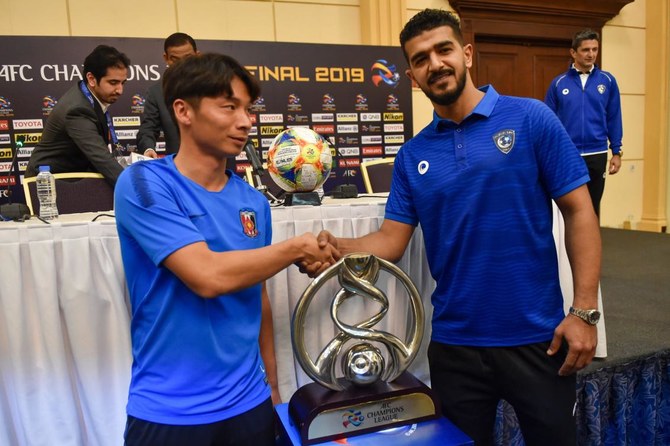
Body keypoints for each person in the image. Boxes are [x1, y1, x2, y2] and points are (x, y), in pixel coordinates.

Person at [306, 9, 602, 446]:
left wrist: (583, 312)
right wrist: (338, 248)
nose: (435, 64)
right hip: (455, 346)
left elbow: (580, 212)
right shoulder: (412, 156)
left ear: (465, 53)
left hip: (538, 340)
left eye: (443, 50)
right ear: (412, 75)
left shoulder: (531, 118)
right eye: (421, 58)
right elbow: (390, 241)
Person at [114, 53, 338, 446]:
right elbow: (208, 276)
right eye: (229, 107)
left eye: (248, 109)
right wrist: (295, 249)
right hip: (171, 412)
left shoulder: (252, 201)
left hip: (250, 403)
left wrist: (272, 388)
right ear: (183, 111)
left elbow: (259, 296)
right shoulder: (143, 183)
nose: (245, 121)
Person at [545, 29, 623, 218]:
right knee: (568, 208)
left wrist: (617, 151)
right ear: (573, 53)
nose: (591, 54)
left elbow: (614, 117)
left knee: (593, 207)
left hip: (597, 153)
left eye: (595, 49)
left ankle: (591, 248)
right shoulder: (558, 84)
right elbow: (547, 123)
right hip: (568, 154)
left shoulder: (608, 81)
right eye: (586, 49)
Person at [25, 45, 130, 186]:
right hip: (49, 184)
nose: (120, 90)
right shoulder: (77, 109)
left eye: (123, 83)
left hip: (69, 180)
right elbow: (101, 158)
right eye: (113, 83)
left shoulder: (88, 97)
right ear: (91, 79)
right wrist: (139, 190)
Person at [136, 32, 199, 158]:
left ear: (197, 55)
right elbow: (148, 129)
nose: (182, 65)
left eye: (188, 58)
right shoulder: (157, 92)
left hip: (219, 168)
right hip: (179, 168)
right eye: (175, 60)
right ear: (166, 58)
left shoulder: (215, 86)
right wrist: (148, 148)